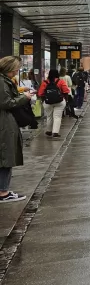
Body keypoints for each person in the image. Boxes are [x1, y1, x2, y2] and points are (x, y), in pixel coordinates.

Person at [0, 56, 35, 202]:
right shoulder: (2, 81)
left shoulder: (5, 80)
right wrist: (24, 97)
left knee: (5, 156)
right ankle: (3, 192)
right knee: (6, 157)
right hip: (4, 124)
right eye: (15, 69)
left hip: (6, 122)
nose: (17, 71)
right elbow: (6, 103)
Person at [37, 68, 70, 138]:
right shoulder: (61, 81)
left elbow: (40, 93)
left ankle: (49, 131)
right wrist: (66, 100)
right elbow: (66, 91)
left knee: (49, 116)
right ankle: (55, 132)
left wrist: (44, 100)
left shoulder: (45, 82)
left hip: (47, 102)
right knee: (57, 117)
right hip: (59, 102)